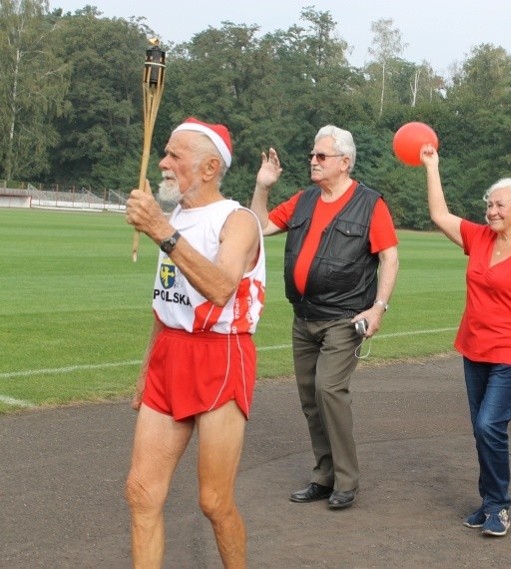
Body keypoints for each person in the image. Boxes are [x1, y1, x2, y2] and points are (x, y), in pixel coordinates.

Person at [124, 117, 266, 568]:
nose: (164, 163)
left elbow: (221, 287)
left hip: (219, 356)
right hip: (170, 354)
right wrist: (148, 368)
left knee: (213, 502)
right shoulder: (177, 217)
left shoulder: (237, 220)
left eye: (174, 156)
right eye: (164, 152)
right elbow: (165, 303)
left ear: (208, 168)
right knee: (141, 493)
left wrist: (161, 232)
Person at [250, 125, 399, 510]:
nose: (313, 162)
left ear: (345, 163)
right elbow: (258, 227)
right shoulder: (303, 201)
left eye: (321, 157)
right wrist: (263, 186)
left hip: (345, 317)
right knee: (310, 398)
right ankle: (323, 475)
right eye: (312, 156)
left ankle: (346, 481)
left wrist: (378, 308)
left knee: (329, 390)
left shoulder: (370, 204)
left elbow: (389, 257)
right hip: (305, 316)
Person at [420, 143, 511, 537]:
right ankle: (488, 501)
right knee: (482, 428)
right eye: (490, 204)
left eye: (500, 205)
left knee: (489, 426)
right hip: (474, 347)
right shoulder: (478, 238)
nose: (492, 210)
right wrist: (432, 166)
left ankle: (499, 505)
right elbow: (438, 214)